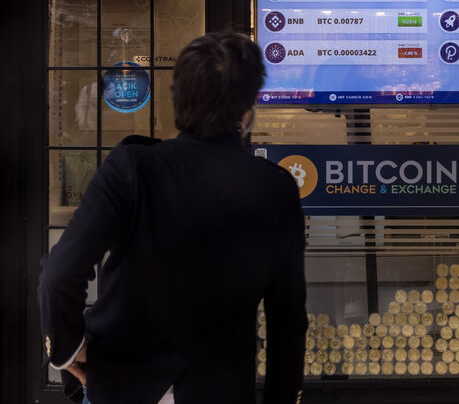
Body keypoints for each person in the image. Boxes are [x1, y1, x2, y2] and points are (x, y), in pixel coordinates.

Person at [38, 32, 307, 404]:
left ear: (177, 101)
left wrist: (69, 351)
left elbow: (58, 274)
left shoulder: (134, 167)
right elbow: (288, 322)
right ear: (247, 112)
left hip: (121, 386)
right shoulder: (276, 189)